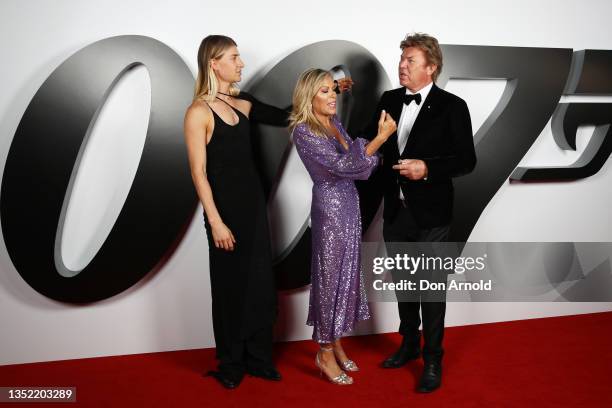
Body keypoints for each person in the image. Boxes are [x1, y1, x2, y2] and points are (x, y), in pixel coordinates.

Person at [365, 33, 476, 392]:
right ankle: (409, 344)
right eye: (401, 59)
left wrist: (426, 168)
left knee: (430, 289)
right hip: (396, 212)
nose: (402, 65)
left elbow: (466, 160)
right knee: (404, 285)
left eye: (410, 60)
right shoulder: (389, 99)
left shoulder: (453, 106)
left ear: (431, 68)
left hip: (433, 216)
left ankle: (433, 360)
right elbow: (370, 145)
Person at [183, 35, 287, 389]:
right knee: (230, 287)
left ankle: (259, 359)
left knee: (259, 283)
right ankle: (231, 363)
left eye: (240, 57)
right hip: (224, 213)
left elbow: (287, 115)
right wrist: (215, 222)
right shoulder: (198, 111)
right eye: (234, 57)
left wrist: (330, 86)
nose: (241, 63)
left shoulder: (243, 102)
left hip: (254, 207)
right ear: (214, 63)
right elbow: (198, 172)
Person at [290, 68, 397, 385]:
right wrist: (380, 139)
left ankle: (335, 339)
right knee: (330, 277)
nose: (333, 95)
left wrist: (334, 86)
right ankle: (323, 351)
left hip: (350, 205)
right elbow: (345, 165)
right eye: (324, 91)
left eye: (333, 90)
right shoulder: (304, 131)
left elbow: (357, 164)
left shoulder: (332, 121)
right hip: (330, 210)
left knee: (346, 274)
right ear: (310, 97)